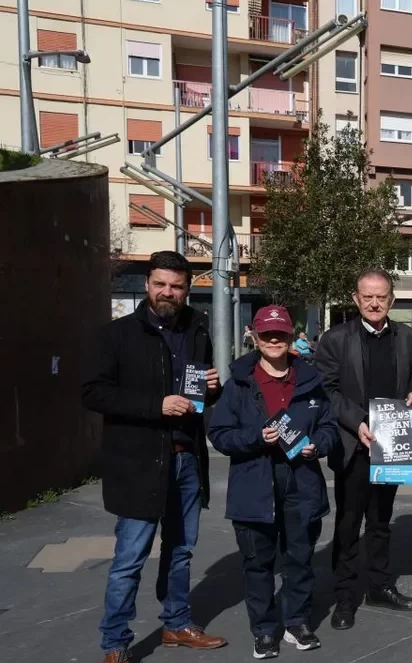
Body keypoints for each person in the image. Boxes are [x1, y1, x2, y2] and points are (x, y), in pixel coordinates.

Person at [81, 250, 227, 663]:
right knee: (130, 559)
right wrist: (155, 406)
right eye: (160, 284)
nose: (168, 292)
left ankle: (176, 623)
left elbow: (198, 394)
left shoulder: (197, 329)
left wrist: (212, 388)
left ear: (187, 289)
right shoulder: (117, 334)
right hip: (139, 463)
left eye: (176, 286)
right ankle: (115, 643)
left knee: (181, 550)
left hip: (186, 459)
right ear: (147, 284)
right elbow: (93, 393)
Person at [209, 306, 338, 658]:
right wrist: (256, 438)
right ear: (255, 337)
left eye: (280, 333)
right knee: (258, 564)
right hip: (254, 482)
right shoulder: (238, 383)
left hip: (301, 481)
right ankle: (264, 630)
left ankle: (297, 622)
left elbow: (328, 425)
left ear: (290, 335)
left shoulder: (310, 379)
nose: (274, 340)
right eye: (267, 334)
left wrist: (318, 445)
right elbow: (219, 434)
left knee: (299, 559)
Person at [314, 269, 412, 630]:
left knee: (380, 522)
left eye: (381, 297)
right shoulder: (335, 338)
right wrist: (358, 421)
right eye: (367, 297)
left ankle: (379, 585)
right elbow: (327, 389)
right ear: (355, 298)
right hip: (354, 444)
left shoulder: (405, 336)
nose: (374, 303)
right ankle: (345, 597)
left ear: (391, 299)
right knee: (349, 524)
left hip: (392, 443)